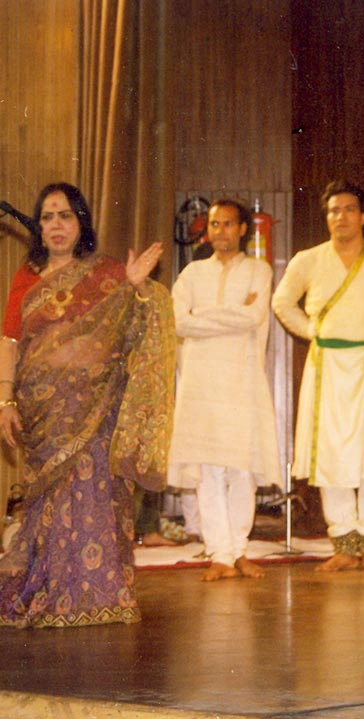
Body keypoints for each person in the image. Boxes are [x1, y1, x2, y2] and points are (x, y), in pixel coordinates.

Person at [0, 182, 174, 627]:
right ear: (38, 227)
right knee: (50, 503)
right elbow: (10, 341)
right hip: (43, 412)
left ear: (81, 223)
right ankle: (49, 590)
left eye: (65, 216)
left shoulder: (108, 273)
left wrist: (136, 288)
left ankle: (99, 593)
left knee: (95, 495)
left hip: (97, 410)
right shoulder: (27, 278)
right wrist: (5, 399)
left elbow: (135, 329)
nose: (56, 225)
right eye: (47, 217)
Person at [272, 180, 364, 573]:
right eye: (334, 210)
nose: (341, 217)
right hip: (327, 366)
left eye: (349, 209)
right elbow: (282, 301)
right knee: (331, 454)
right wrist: (311, 331)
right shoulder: (308, 259)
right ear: (327, 217)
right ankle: (343, 543)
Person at [169, 199, 281, 581]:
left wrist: (201, 316)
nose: (220, 231)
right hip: (201, 383)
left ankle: (239, 549)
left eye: (228, 224)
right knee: (209, 470)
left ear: (243, 229)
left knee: (241, 468)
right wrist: (228, 316)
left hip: (241, 380)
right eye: (214, 224)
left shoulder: (258, 271)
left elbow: (253, 317)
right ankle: (220, 553)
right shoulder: (192, 273)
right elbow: (177, 322)